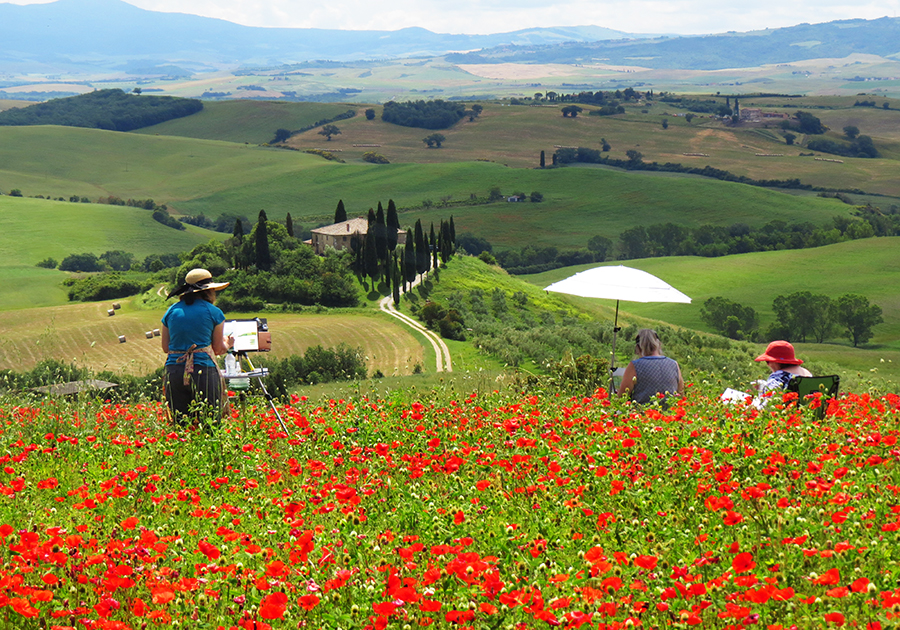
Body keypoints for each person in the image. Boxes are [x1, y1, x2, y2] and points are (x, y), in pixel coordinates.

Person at [161, 268, 233, 427]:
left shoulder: (171, 312)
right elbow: (218, 349)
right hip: (203, 370)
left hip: (174, 370)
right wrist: (228, 343)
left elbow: (166, 347)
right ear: (209, 292)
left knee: (179, 425)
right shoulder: (214, 312)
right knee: (210, 423)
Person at [617, 328, 684, 405]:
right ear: (659, 345)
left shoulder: (634, 366)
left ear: (638, 348)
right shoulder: (674, 364)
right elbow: (681, 394)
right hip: (670, 415)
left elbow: (622, 397)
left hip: (643, 414)